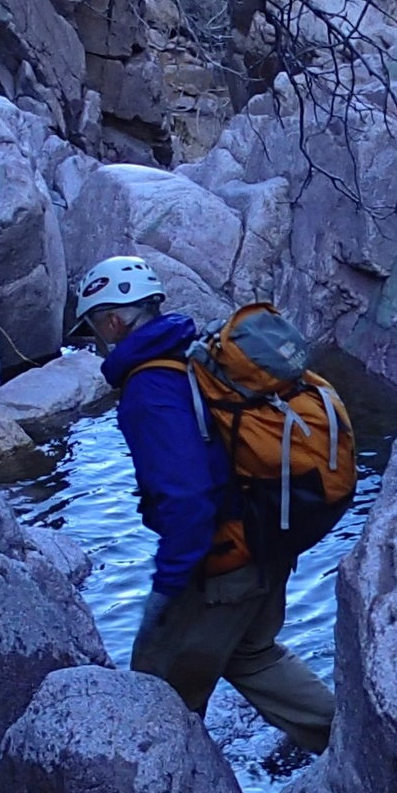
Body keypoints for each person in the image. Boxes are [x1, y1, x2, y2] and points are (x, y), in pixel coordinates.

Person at [75, 255, 336, 754]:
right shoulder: (194, 355)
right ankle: (357, 745)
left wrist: (169, 591)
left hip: (224, 561)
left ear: (112, 320)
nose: (97, 337)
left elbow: (188, 498)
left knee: (155, 693)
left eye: (94, 325)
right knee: (252, 654)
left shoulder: (148, 389)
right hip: (271, 534)